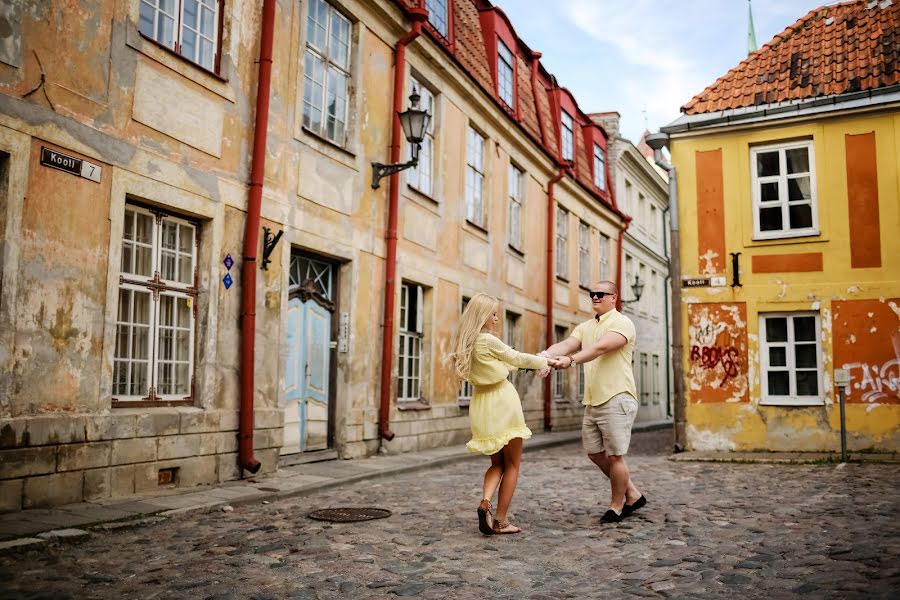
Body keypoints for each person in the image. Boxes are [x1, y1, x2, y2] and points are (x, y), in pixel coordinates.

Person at [447, 293, 562, 535]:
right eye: (494, 314)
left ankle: (485, 502)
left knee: (496, 463)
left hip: (480, 403)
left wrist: (526, 365)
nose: (497, 318)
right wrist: (546, 361)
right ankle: (500, 520)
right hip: (502, 401)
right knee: (512, 464)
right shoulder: (488, 340)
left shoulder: (467, 342)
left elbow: (506, 364)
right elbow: (516, 357)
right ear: (483, 316)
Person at [541, 281, 646, 524]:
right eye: (593, 294)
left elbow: (600, 348)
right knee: (595, 453)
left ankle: (617, 505)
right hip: (593, 399)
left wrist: (570, 361)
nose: (596, 297)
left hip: (617, 396)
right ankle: (633, 494)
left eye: (601, 294)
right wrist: (546, 355)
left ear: (614, 298)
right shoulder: (586, 326)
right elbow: (567, 344)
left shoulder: (622, 323)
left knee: (615, 455)